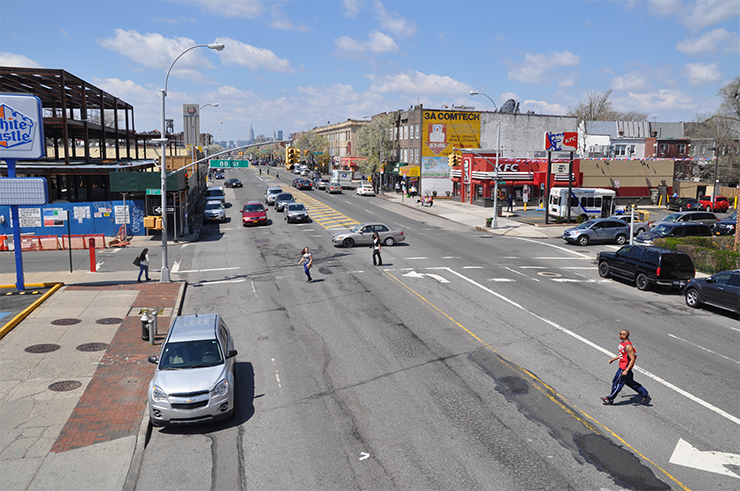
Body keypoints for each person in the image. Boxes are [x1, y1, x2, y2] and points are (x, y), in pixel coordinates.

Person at [602, 329, 650, 405]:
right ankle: (644, 394)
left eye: (620, 333)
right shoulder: (623, 344)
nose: (619, 334)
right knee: (630, 382)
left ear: (624, 336)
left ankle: (610, 399)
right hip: (623, 366)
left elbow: (633, 359)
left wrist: (626, 370)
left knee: (617, 383)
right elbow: (622, 354)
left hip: (624, 368)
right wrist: (613, 359)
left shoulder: (628, 346)